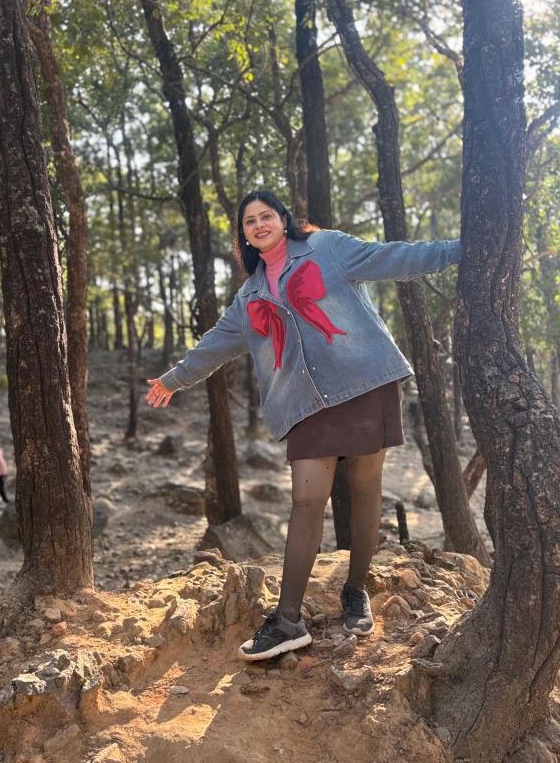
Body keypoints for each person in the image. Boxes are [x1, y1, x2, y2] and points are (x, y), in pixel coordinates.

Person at [146, 189, 460, 662]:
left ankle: (355, 589)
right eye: (249, 221)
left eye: (265, 215)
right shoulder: (249, 295)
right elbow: (214, 346)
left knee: (366, 487)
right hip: (305, 404)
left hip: (364, 380)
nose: (258, 224)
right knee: (306, 500)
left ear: (283, 219)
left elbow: (393, 257)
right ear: (244, 236)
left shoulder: (327, 248)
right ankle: (289, 619)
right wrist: (174, 379)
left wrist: (462, 250)